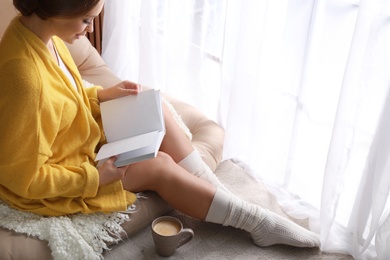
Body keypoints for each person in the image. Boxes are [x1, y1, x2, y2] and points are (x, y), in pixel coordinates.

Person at [0, 0, 320, 251]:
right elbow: (22, 177)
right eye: (86, 19)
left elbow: (61, 93)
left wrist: (101, 95)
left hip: (75, 135)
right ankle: (253, 221)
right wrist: (95, 178)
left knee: (157, 108)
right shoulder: (24, 78)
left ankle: (219, 193)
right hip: (65, 172)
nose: (90, 27)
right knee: (159, 165)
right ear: (58, 8)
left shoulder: (42, 35)